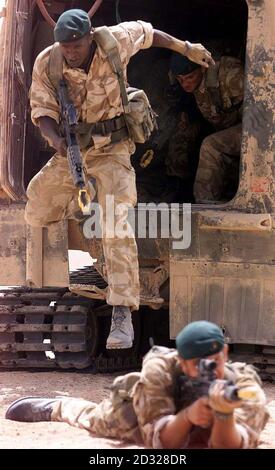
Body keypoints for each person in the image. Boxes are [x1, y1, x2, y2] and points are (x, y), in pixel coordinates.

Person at [25, 8, 214, 350]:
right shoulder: (48, 63)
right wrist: (57, 140)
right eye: (64, 45)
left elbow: (150, 32)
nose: (70, 51)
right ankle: (85, 201)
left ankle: (122, 310)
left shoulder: (114, 40)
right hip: (74, 151)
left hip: (112, 151)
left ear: (89, 35)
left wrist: (186, 48)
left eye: (76, 44)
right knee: (35, 206)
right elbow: (42, 112)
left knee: (116, 224)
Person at [5, 321, 269, 448]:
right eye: (197, 363)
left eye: (215, 360)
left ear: (225, 355)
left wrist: (223, 414)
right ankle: (60, 407)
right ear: (181, 360)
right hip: (152, 419)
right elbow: (162, 442)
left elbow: (234, 446)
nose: (208, 369)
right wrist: (189, 415)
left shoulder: (244, 386)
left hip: (219, 428)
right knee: (103, 420)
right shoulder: (162, 367)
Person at [166, 53, 244, 203]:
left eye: (189, 78)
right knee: (182, 135)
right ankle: (177, 190)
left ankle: (205, 204)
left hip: (256, 128)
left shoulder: (231, 76)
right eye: (180, 80)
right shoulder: (184, 82)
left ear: (202, 69)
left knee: (211, 145)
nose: (185, 84)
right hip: (225, 125)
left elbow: (262, 109)